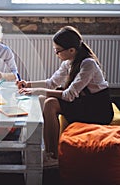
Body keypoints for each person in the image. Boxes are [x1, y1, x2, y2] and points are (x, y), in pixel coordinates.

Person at [16, 26, 114, 167]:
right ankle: (45, 149)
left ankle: (54, 155)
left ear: (71, 50)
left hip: (97, 110)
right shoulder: (68, 63)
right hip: (83, 102)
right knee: (42, 100)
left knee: (50, 103)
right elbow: (51, 83)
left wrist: (38, 90)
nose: (56, 53)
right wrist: (28, 84)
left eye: (57, 50)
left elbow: (69, 96)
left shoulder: (88, 64)